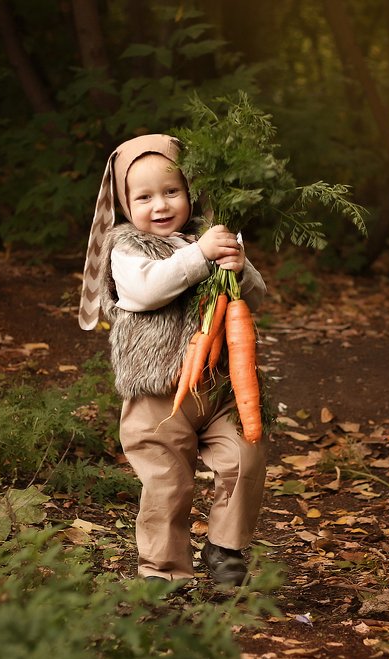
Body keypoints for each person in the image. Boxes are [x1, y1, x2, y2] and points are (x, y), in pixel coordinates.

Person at [79, 134, 267, 586]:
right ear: (125, 206)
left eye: (171, 191)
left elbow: (255, 298)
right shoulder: (127, 249)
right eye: (144, 197)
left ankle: (225, 548)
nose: (160, 205)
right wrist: (201, 255)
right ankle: (164, 575)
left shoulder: (210, 238)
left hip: (220, 388)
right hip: (157, 398)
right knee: (167, 486)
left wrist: (240, 266)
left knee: (247, 455)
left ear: (189, 192)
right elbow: (148, 290)